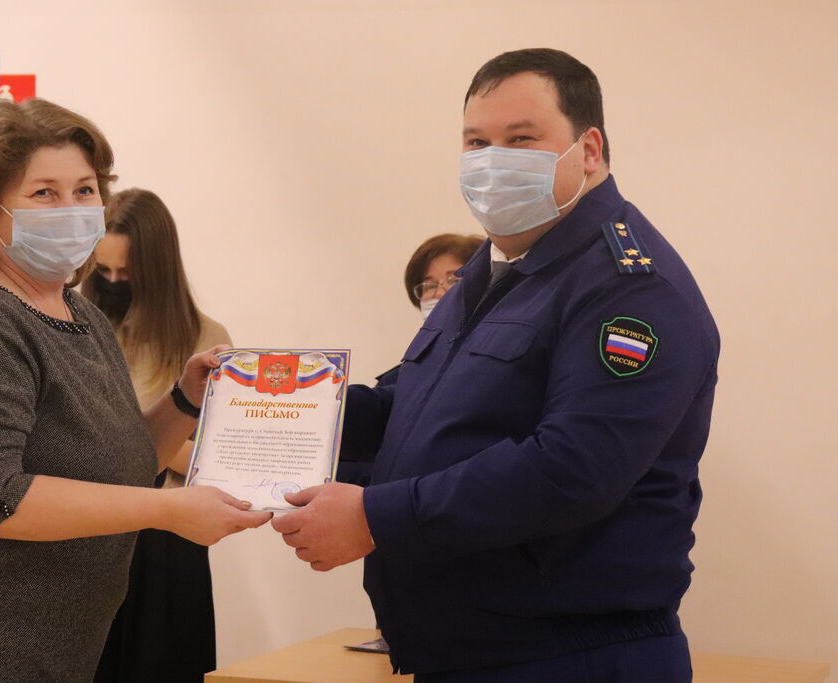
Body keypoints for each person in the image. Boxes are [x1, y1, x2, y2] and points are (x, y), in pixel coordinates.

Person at [272, 48, 719, 682]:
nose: (492, 161)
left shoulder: (627, 288)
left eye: (522, 139)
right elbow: (415, 412)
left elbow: (573, 468)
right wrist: (269, 408)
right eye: (477, 142)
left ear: (589, 150)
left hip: (569, 655)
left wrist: (374, 518)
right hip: (467, 650)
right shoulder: (495, 269)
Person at [0, 98, 271, 683]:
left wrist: (184, 400)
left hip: (51, 652)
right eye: (44, 193)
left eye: (84, 190)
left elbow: (120, 464)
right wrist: (168, 509)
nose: (72, 209)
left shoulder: (80, 314)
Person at [83, 188, 232, 682]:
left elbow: (222, 460)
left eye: (126, 274)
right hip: (85, 531)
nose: (113, 284)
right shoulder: (77, 329)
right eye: (102, 272)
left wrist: (148, 446)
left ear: (157, 270)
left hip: (168, 540)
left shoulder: (205, 339)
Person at [338, 233, 483, 483]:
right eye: (428, 285)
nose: (440, 293)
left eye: (453, 279)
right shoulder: (400, 377)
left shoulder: (497, 369)